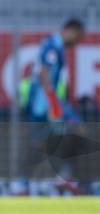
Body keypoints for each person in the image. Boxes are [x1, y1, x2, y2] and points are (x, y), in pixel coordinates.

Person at [18, 18, 86, 194]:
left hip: (46, 104)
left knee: (45, 142)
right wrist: (54, 102)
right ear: (71, 30)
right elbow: (43, 73)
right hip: (45, 105)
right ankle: (59, 177)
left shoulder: (54, 46)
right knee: (73, 131)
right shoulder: (52, 46)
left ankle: (26, 183)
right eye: (78, 37)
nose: (77, 42)